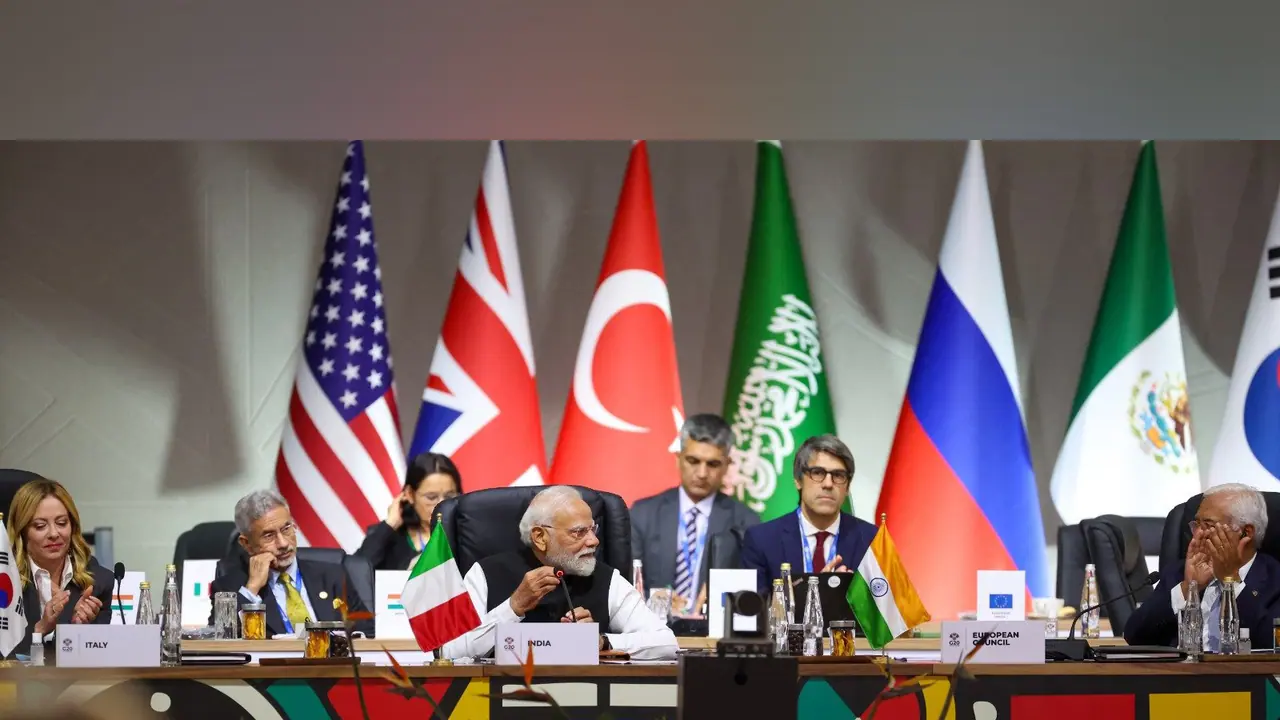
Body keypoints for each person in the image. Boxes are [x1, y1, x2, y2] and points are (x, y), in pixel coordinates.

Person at [439, 486, 677, 661]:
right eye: (578, 532)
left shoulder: (606, 579)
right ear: (540, 537)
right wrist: (512, 608)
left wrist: (601, 641)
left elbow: (666, 643)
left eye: (592, 529)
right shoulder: (485, 574)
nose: (594, 541)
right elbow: (449, 650)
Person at [629, 413, 760, 614]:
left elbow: (753, 588)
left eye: (713, 464)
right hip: (653, 630)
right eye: (693, 461)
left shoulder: (746, 521)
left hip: (713, 636)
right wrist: (656, 602)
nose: (701, 473)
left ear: (727, 465)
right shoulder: (643, 513)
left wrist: (722, 595)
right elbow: (624, 583)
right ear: (678, 458)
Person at [1125, 483, 1280, 649]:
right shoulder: (1179, 572)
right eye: (1196, 525)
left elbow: (1270, 645)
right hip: (1179, 673)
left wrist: (1232, 581)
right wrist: (1187, 588)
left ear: (1246, 532)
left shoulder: (1274, 579)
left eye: (1208, 525)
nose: (1197, 534)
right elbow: (1134, 636)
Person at [208, 489, 374, 637]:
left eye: (286, 529)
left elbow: (368, 632)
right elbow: (221, 639)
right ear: (247, 544)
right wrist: (252, 589)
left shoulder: (333, 576)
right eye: (268, 536)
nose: (283, 544)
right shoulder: (229, 588)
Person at [740, 434, 878, 595]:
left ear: (847, 487)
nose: (828, 484)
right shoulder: (762, 540)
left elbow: (884, 610)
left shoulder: (871, 540)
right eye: (818, 473)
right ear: (798, 480)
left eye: (838, 475)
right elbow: (755, 612)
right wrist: (816, 595)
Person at [4, 478, 114, 660]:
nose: (54, 534)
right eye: (40, 526)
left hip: (74, 683)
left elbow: (99, 659)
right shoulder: (5, 583)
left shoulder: (98, 581)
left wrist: (77, 631)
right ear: (22, 532)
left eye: (62, 523)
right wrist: (40, 629)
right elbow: (5, 656)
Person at [356, 452, 462, 570]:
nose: (441, 505)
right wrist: (390, 524)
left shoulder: (468, 535)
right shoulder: (389, 538)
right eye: (431, 497)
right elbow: (355, 574)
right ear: (410, 494)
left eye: (450, 497)